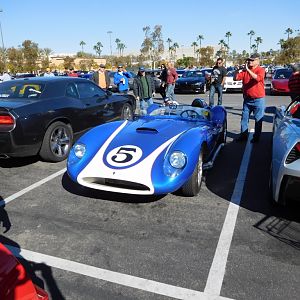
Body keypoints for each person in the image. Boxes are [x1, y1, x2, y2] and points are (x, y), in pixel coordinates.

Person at [234, 53, 266, 143]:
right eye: (249, 60)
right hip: (247, 99)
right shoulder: (245, 72)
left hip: (258, 99)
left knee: (258, 119)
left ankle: (256, 138)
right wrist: (236, 71)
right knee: (244, 118)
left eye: (252, 60)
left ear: (257, 61)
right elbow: (235, 78)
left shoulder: (261, 70)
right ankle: (243, 135)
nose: (249, 62)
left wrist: (247, 70)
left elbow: (257, 78)